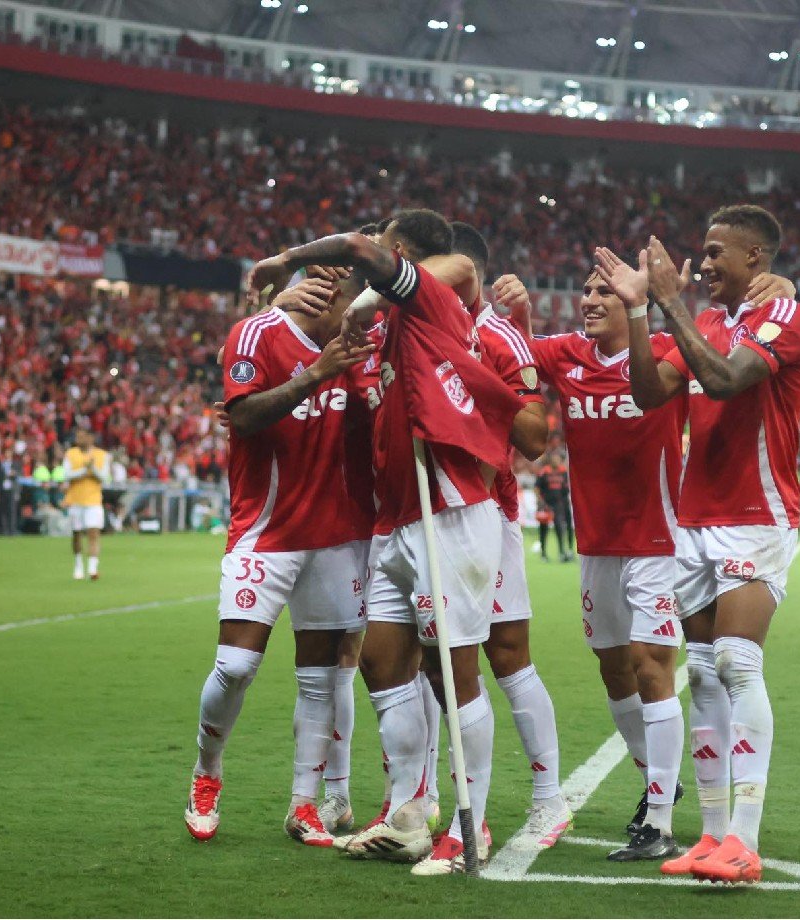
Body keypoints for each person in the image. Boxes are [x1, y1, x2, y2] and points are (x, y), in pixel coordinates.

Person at [247, 209, 524, 875]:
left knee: (456, 678)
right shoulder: (384, 322)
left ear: (397, 252)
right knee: (382, 663)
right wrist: (346, 310)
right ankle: (407, 815)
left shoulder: (427, 299)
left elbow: (357, 249)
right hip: (395, 520)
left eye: (383, 242)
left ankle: (471, 829)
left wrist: (285, 260)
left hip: (449, 512)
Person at [618, 203, 800, 884]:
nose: (701, 264)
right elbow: (650, 393)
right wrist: (643, 312)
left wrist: (670, 302)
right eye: (699, 254)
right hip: (695, 519)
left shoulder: (787, 315)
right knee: (701, 672)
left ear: (755, 258)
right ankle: (707, 836)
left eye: (714, 252)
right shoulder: (700, 320)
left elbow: (727, 380)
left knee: (737, 664)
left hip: (755, 515)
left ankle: (745, 839)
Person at [185, 271, 373, 848]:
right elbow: (241, 417)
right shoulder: (257, 334)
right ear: (326, 295)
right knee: (235, 667)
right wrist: (318, 374)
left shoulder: (364, 344)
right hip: (265, 531)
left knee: (319, 678)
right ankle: (206, 773)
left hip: (337, 536)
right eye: (357, 298)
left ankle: (304, 806)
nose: (365, 312)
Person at [447, 223, 570, 849]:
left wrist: (474, 370)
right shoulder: (401, 327)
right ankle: (411, 808)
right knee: (420, 665)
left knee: (503, 656)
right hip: (406, 519)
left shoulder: (493, 335)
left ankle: (548, 799)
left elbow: (532, 435)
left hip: (481, 513)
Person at [63, 427, 110, 581]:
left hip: (93, 500)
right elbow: (67, 474)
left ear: (91, 438)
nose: (79, 439)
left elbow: (103, 476)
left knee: (93, 533)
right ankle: (78, 564)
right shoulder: (70, 454)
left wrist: (93, 469)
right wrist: (84, 471)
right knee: (76, 534)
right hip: (75, 500)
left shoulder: (101, 455)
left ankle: (92, 568)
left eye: (82, 436)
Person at [535, 452, 574, 561]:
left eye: (557, 458)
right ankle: (543, 553)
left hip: (560, 505)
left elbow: (567, 487)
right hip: (546, 504)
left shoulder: (563, 472)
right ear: (550, 460)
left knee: (560, 528)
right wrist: (541, 502)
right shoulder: (544, 472)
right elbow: (537, 488)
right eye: (554, 458)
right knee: (544, 529)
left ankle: (562, 552)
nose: (555, 460)